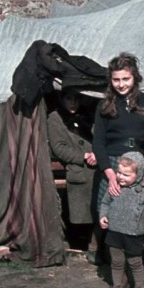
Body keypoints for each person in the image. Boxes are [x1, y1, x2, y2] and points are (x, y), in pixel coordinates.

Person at [93, 52, 144, 288]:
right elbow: (98, 143)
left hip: (140, 167)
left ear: (135, 77)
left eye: (125, 78)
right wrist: (110, 174)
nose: (121, 84)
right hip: (111, 166)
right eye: (116, 79)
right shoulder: (104, 107)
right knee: (109, 219)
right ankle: (118, 281)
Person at [46, 88, 98, 257]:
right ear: (62, 99)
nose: (73, 102)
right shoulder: (55, 118)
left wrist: (96, 153)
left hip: (95, 167)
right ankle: (84, 243)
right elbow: (59, 147)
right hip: (78, 168)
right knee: (81, 210)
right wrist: (83, 156)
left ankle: (95, 245)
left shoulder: (88, 116)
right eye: (69, 98)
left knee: (98, 208)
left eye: (76, 98)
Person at [99, 151, 144, 288]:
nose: (120, 177)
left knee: (135, 262)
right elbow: (105, 202)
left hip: (133, 233)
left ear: (138, 175)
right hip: (114, 231)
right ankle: (117, 286)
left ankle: (140, 287)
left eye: (126, 175)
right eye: (119, 172)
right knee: (117, 261)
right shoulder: (114, 187)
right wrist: (103, 216)